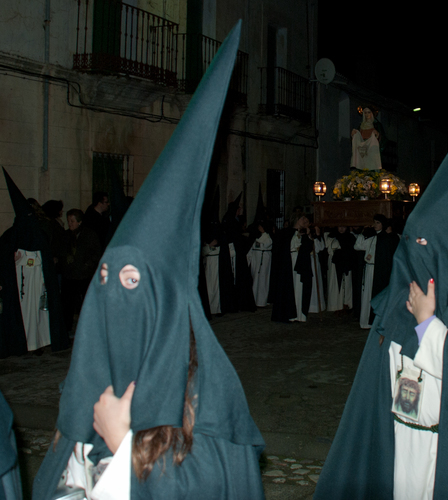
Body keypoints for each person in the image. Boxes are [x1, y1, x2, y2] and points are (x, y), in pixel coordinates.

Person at [33, 22, 265, 500]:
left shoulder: (207, 403)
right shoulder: (87, 393)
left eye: (132, 279)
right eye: (106, 279)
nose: (114, 294)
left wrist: (122, 450)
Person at [313, 69, 448, 500]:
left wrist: (429, 327)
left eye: (426, 244)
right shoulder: (401, 292)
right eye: (413, 242)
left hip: (444, 441)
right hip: (401, 435)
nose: (417, 252)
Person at [0, 169, 68, 358]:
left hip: (37, 280)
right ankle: (25, 342)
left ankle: (39, 342)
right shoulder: (11, 235)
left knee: (38, 314)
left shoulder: (39, 234)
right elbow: (6, 253)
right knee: (25, 314)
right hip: (21, 282)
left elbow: (44, 256)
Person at [354, 214, 399, 329]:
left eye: (378, 223)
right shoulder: (372, 236)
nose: (375, 225)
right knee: (367, 294)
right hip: (369, 269)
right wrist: (364, 232)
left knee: (376, 294)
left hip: (378, 271)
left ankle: (374, 321)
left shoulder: (386, 238)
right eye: (374, 222)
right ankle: (365, 321)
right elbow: (358, 246)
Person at [60, 209, 101, 332]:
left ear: (79, 222)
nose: (70, 224)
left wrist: (87, 264)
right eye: (68, 221)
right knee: (67, 304)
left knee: (85, 303)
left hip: (84, 275)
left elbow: (96, 253)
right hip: (69, 275)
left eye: (72, 221)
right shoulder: (66, 235)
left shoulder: (89, 235)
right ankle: (66, 328)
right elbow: (59, 251)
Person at [325, 226, 356, 312]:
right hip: (334, 263)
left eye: (344, 227)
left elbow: (352, 251)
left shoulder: (350, 237)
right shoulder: (331, 237)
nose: (341, 229)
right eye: (339, 226)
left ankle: (346, 303)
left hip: (346, 263)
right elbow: (328, 249)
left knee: (347, 283)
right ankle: (335, 305)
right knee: (334, 283)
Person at [350, 106, 386, 171]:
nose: (367, 115)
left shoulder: (377, 125)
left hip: (372, 153)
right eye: (365, 113)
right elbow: (357, 141)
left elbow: (384, 140)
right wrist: (354, 135)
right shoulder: (361, 126)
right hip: (363, 153)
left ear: (372, 113)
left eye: (368, 112)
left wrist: (377, 135)